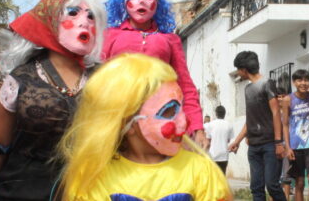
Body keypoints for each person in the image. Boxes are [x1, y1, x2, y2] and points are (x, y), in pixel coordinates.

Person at [0, 0, 107, 201]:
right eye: (73, 13)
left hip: (88, 191)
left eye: (91, 16)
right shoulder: (20, 79)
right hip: (22, 190)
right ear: (50, 20)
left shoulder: (105, 79)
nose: (84, 22)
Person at [57, 53, 231, 200]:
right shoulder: (94, 177)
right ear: (127, 122)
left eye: (182, 108)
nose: (183, 122)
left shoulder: (200, 171)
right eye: (169, 111)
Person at [102, 0, 206, 146]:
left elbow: (185, 85)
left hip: (160, 119)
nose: (141, 0)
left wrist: (197, 127)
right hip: (116, 121)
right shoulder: (110, 36)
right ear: (124, 2)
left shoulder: (169, 39)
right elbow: (98, 80)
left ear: (157, 3)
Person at [227, 51, 286, 201]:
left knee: (272, 185)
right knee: (256, 188)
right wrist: (237, 141)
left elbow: (275, 113)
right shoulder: (247, 89)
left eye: (238, 70)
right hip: (254, 146)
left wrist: (279, 142)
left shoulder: (267, 83)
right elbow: (250, 120)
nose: (238, 73)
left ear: (243, 70)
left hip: (270, 145)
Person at [281, 69, 309, 201]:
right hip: (295, 146)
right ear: (294, 82)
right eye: (300, 80)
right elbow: (285, 125)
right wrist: (287, 147)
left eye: (306, 80)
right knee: (299, 183)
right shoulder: (288, 100)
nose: (303, 83)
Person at [204, 105, 234, 174]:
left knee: (213, 178)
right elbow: (229, 140)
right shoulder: (229, 125)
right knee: (222, 177)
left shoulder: (210, 125)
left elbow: (208, 139)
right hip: (224, 155)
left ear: (216, 114)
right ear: (224, 114)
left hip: (213, 155)